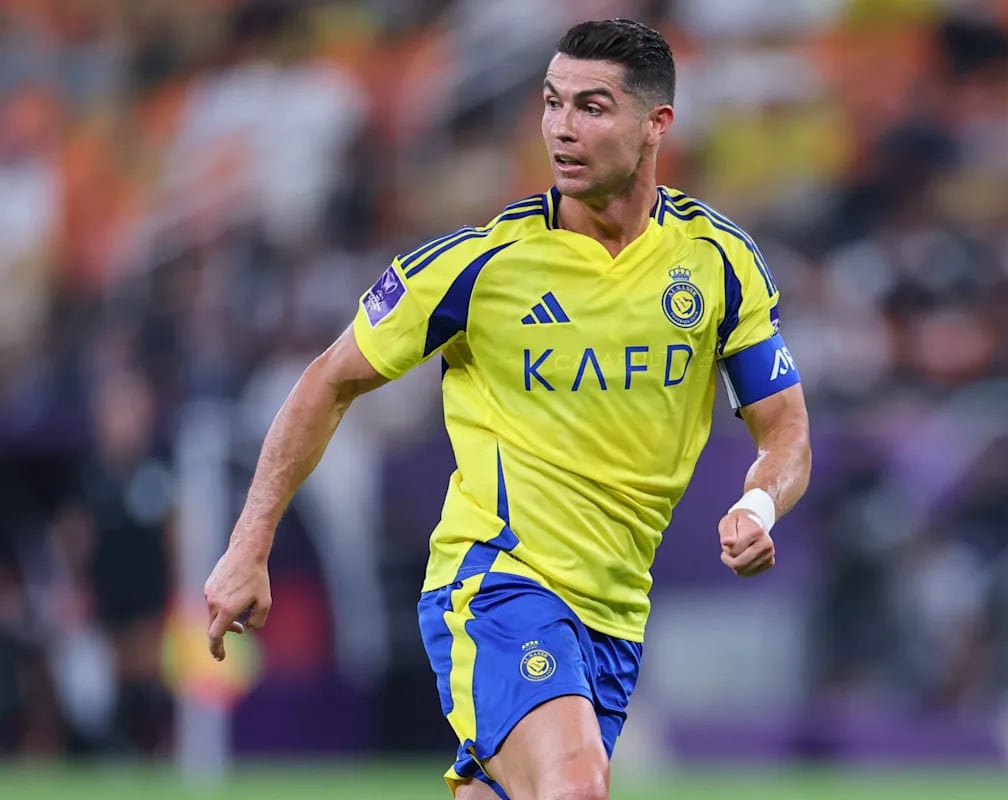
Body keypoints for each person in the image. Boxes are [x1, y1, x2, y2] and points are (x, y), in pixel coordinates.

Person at [203, 18, 812, 800]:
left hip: (615, 613)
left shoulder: (719, 263)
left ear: (656, 123)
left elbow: (785, 428)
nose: (562, 127)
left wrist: (760, 504)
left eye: (592, 107)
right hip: (495, 583)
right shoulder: (480, 265)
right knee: (576, 787)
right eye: (552, 103)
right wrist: (249, 542)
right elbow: (327, 380)